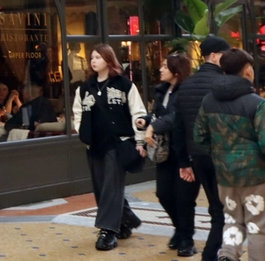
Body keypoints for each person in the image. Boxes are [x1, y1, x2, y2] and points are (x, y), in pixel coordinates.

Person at [193, 48, 265, 261]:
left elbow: (199, 135)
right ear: (248, 70)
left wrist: (219, 154)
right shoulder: (256, 103)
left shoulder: (209, 101)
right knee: (260, 225)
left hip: (225, 176)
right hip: (256, 176)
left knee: (232, 219)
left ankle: (228, 255)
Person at [73, 44, 147, 251]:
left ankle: (107, 231)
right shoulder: (84, 88)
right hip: (94, 144)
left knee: (111, 186)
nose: (93, 61)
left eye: (98, 57)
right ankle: (127, 219)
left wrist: (140, 141)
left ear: (109, 59)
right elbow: (77, 113)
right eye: (92, 57)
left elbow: (138, 112)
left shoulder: (124, 85)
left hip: (118, 143)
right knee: (101, 187)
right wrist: (82, 132)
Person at [172, 35, 231, 261]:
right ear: (214, 56)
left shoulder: (186, 85)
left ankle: (220, 253)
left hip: (197, 156)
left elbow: (178, 127)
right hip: (222, 155)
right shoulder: (223, 83)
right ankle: (212, 254)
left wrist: (184, 162)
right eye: (224, 55)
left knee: (217, 206)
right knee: (223, 209)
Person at [141, 52, 197, 257]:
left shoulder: (186, 92)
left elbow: (176, 118)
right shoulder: (162, 91)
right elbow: (159, 115)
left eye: (165, 66)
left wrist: (153, 126)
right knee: (163, 194)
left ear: (176, 71)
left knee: (184, 198)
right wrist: (146, 120)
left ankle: (187, 239)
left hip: (184, 152)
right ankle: (179, 229)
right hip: (164, 152)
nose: (161, 69)